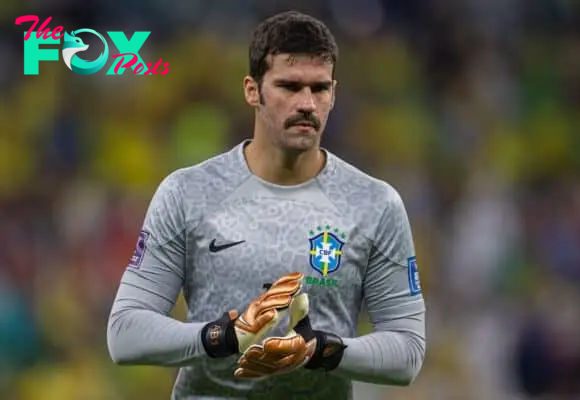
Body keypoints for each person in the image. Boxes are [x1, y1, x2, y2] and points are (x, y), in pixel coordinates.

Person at [106, 10, 426, 400]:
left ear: (334, 94)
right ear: (252, 90)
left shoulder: (374, 204)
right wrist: (223, 337)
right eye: (289, 87)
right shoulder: (188, 193)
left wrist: (321, 349)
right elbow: (124, 333)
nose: (307, 103)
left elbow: (408, 352)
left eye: (319, 88)